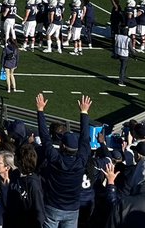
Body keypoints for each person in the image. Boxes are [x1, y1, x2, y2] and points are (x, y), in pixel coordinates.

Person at [35, 93, 92, 228]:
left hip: (53, 207)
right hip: (72, 209)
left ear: (62, 146)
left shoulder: (55, 159)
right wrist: (84, 112)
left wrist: (40, 111)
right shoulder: (81, 161)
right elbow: (84, 139)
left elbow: (45, 137)